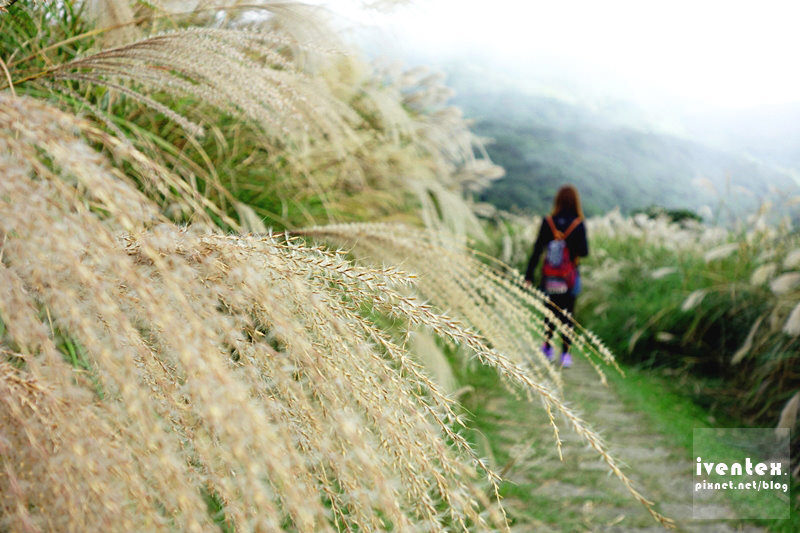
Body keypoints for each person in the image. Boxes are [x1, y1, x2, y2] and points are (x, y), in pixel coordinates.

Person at [524, 185, 588, 368]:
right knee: (568, 315)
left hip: (549, 278)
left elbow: (537, 250)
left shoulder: (548, 221)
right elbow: (584, 251)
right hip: (570, 278)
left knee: (549, 312)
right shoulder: (578, 223)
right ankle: (565, 355)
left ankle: (547, 348)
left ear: (557, 200)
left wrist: (529, 275)